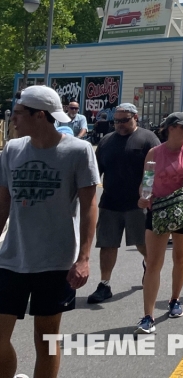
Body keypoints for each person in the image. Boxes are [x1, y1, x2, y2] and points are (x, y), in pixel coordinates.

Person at [0, 86, 100, 378]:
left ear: (40, 115)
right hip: (12, 258)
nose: (13, 119)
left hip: (56, 262)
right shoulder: (12, 150)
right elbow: (3, 203)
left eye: (18, 113)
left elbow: (90, 205)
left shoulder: (77, 151)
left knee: (46, 338)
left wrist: (83, 258)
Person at [134, 112, 183, 334]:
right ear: (170, 128)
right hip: (157, 212)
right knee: (154, 262)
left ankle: (175, 300)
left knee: (180, 258)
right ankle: (148, 316)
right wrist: (142, 197)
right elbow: (146, 182)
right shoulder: (154, 153)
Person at [87, 103, 161, 304]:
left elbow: (154, 171)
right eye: (116, 121)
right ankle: (104, 284)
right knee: (107, 244)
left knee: (141, 242)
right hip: (110, 202)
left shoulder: (148, 139)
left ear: (135, 117)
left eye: (124, 120)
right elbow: (95, 172)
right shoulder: (107, 141)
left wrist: (148, 196)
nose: (119, 125)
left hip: (137, 204)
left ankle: (149, 265)